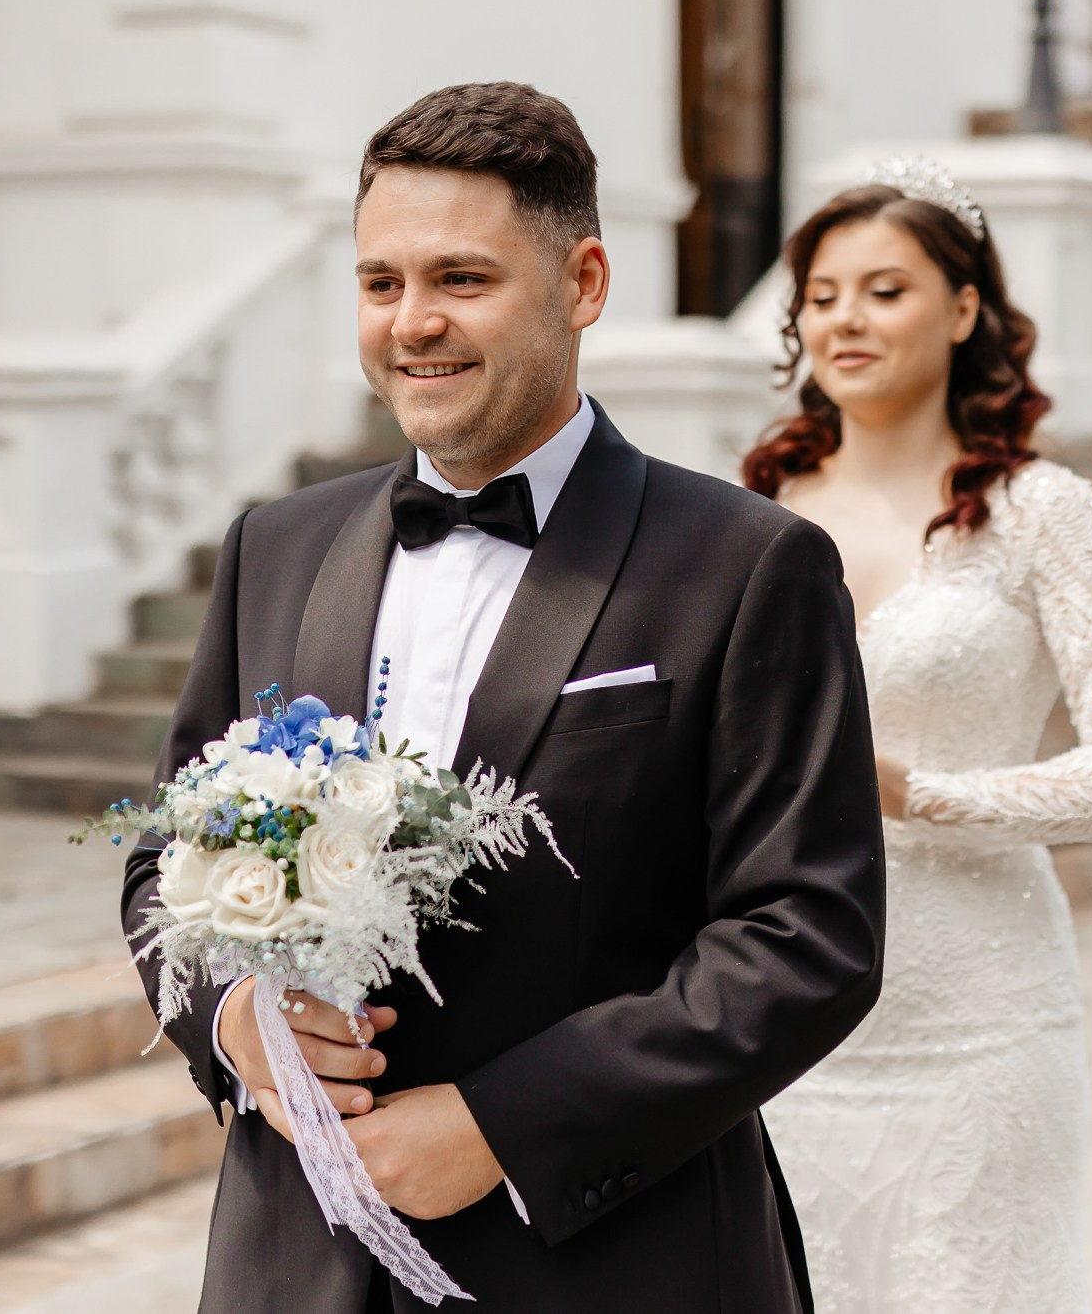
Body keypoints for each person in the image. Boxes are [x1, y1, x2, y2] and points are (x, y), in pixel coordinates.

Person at [118, 81, 887, 1313]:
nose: (411, 323)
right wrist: (234, 1020)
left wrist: (501, 1124)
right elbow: (165, 856)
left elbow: (806, 938)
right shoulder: (275, 544)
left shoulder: (745, 565)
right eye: (380, 283)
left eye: (460, 280)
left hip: (606, 1257)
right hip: (293, 1256)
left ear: (581, 285)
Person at [752, 160, 1092, 1312]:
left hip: (978, 1027)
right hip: (777, 1020)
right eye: (820, 292)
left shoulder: (1043, 513)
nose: (843, 317)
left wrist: (922, 795)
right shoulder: (746, 513)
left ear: (962, 310)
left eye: (883, 289)